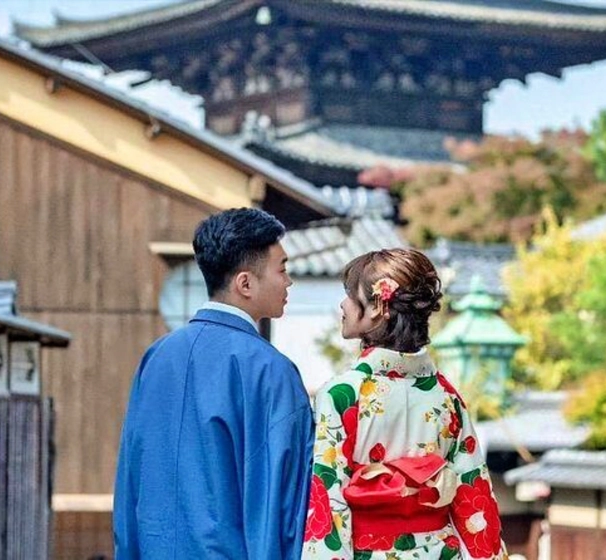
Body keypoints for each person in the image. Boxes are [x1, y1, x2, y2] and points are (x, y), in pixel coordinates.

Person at [113, 208, 314, 559]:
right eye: (282, 269)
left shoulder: (156, 358)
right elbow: (283, 506)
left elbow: (130, 481)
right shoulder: (271, 371)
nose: (289, 281)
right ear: (245, 284)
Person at [301, 248, 507, 560]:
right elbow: (474, 496)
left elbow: (328, 501)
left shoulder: (342, 395)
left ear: (378, 306)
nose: (342, 305)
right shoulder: (446, 396)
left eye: (350, 295)